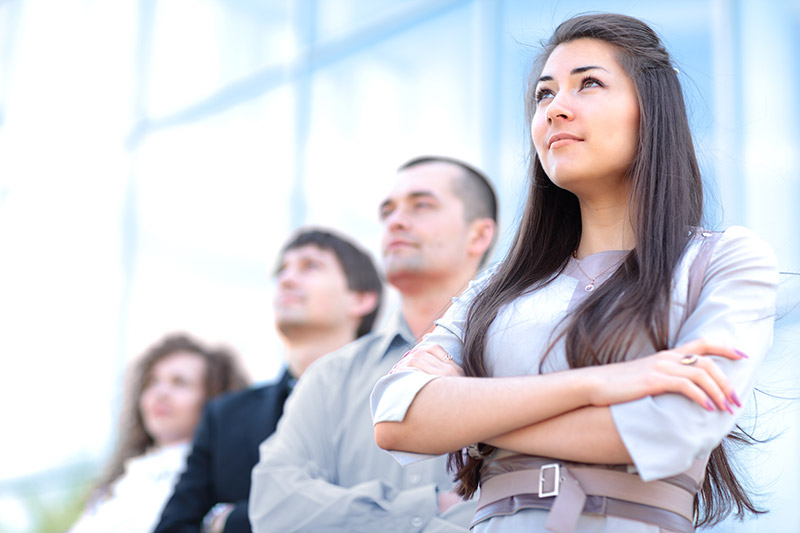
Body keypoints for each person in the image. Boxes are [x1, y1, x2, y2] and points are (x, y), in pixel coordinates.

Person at [372, 13, 779, 533]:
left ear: (649, 111)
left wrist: (475, 424)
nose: (556, 109)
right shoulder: (495, 290)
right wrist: (607, 384)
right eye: (544, 95)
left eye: (588, 84)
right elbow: (394, 416)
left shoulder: (722, 262)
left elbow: (676, 427)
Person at [248, 156, 498, 532]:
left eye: (422, 205)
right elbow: (274, 507)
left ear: (478, 235)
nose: (395, 221)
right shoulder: (332, 374)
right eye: (388, 211)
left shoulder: (519, 358)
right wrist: (427, 508)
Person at [155, 229, 382, 533]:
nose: (286, 280)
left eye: (310, 266)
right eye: (282, 270)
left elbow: (394, 514)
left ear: (362, 299)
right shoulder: (225, 416)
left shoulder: (392, 404)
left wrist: (234, 522)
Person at [69, 334, 249, 533]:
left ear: (215, 398)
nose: (161, 392)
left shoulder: (215, 484)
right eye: (152, 381)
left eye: (180, 382)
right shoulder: (125, 478)